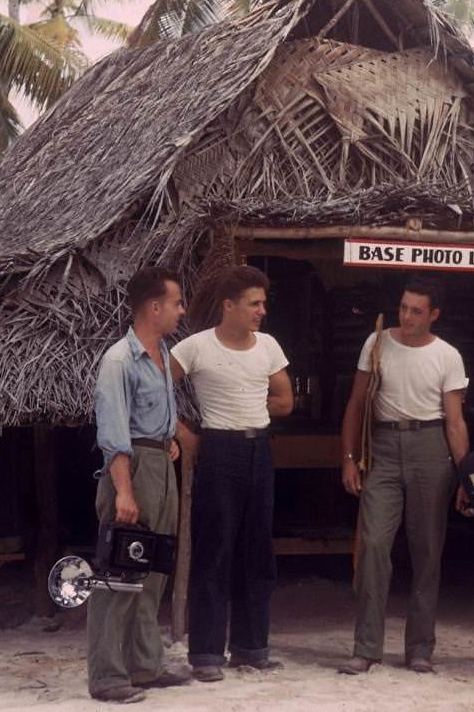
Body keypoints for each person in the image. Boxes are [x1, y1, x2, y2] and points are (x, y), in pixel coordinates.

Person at [337, 276, 471, 675]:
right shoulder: (376, 343)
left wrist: (465, 476)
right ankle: (366, 647)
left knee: (427, 548)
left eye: (416, 310)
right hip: (382, 445)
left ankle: (419, 648)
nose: (407, 316)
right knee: (374, 543)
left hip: (430, 447)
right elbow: (357, 404)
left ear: (434, 315)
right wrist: (348, 457)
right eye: (403, 307)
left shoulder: (448, 355)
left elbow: (455, 421)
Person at [171, 265, 293, 682]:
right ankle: (206, 653)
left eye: (264, 303)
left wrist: (252, 407)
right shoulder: (195, 347)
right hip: (219, 449)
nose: (262, 310)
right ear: (229, 305)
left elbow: (284, 400)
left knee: (257, 549)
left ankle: (251, 647)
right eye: (254, 303)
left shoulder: (269, 346)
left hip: (258, 447)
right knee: (214, 549)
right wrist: (182, 428)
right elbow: (153, 387)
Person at [88, 267, 197, 704]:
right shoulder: (119, 359)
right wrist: (125, 492)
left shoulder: (161, 355)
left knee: (152, 574)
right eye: (176, 303)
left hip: (158, 466)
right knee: (119, 578)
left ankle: (145, 665)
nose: (181, 310)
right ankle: (108, 677)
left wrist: (166, 440)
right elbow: (114, 432)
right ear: (154, 307)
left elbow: (151, 418)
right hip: (131, 471)